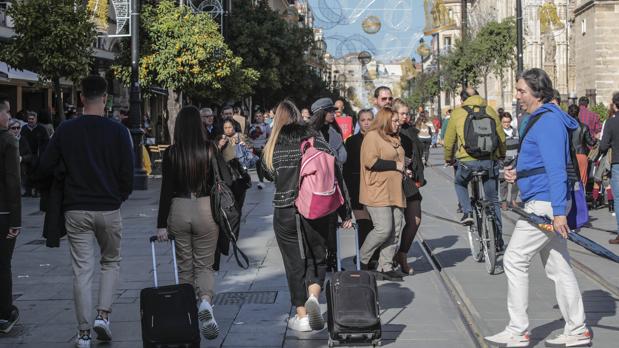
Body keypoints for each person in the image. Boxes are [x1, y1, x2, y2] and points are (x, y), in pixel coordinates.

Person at [485, 68, 591, 347]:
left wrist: (558, 212)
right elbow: (540, 162)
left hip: (545, 202)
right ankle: (577, 327)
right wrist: (517, 172)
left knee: (514, 259)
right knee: (558, 266)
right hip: (543, 197)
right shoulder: (540, 120)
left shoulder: (547, 122)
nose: (517, 96)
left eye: (521, 91)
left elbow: (556, 169)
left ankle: (518, 330)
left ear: (537, 92)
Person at [37, 75, 134, 347]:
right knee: (111, 261)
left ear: (81, 98)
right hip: (108, 207)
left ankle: (82, 332)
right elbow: (128, 172)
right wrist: (119, 196)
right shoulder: (118, 131)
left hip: (76, 209)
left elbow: (45, 166)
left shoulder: (66, 130)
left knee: (82, 269)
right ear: (105, 98)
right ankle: (103, 315)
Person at [261, 100, 352, 332]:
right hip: (314, 207)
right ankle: (313, 297)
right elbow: (334, 170)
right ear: (298, 117)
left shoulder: (274, 143)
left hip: (285, 211)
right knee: (317, 257)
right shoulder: (312, 136)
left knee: (293, 264)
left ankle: (301, 317)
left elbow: (266, 173)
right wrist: (345, 212)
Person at [156, 106, 221, 341]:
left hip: (179, 208)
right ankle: (205, 302)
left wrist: (161, 224)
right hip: (205, 208)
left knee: (184, 265)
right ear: (199, 125)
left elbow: (165, 191)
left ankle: (187, 313)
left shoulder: (172, 153)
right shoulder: (210, 150)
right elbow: (219, 183)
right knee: (205, 265)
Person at [443, 87, 505, 251]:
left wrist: (448, 158)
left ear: (462, 100)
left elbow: (449, 141)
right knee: (493, 200)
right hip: (489, 161)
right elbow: (501, 138)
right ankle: (498, 240)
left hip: (467, 162)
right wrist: (501, 156)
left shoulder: (457, 113)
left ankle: (468, 212)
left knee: (459, 183)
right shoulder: (490, 110)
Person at [359, 107, 406, 281]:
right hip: (377, 190)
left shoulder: (394, 137)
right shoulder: (372, 136)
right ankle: (362, 259)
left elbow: (398, 157)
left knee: (396, 228)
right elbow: (370, 162)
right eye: (394, 120)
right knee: (383, 229)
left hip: (395, 190)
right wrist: (396, 166)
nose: (397, 123)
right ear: (385, 120)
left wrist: (404, 166)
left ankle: (385, 266)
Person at [309, 98, 347, 272]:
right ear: (322, 113)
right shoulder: (310, 133)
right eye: (330, 111)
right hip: (315, 185)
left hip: (332, 182)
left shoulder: (334, 131)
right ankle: (320, 259)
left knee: (332, 222)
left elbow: (343, 155)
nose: (334, 113)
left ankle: (331, 259)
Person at [394, 99, 424, 275]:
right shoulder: (390, 133)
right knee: (393, 224)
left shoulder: (410, 131)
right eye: (402, 113)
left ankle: (402, 254)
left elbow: (417, 155)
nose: (406, 116)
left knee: (415, 220)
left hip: (410, 181)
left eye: (407, 113)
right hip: (395, 181)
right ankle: (387, 258)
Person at [343, 109, 375, 264]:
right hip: (357, 188)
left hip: (376, 188)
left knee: (377, 225)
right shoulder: (351, 141)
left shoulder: (379, 140)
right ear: (358, 122)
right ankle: (362, 258)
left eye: (369, 119)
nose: (367, 122)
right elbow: (347, 169)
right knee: (364, 225)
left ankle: (371, 256)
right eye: (363, 120)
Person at [0, 99, 21, 334]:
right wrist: (16, 221)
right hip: (4, 213)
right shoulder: (8, 141)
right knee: (3, 264)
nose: (9, 116)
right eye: (6, 112)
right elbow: (13, 183)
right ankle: (4, 313)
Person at [599, 92, 619, 245]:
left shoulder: (611, 123)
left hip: (617, 163)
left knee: (618, 198)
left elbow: (604, 145)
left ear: (615, 105)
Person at [20, 111, 49, 197]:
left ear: (36, 119)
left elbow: (46, 142)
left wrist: (43, 155)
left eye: (32, 119)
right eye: (29, 119)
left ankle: (36, 190)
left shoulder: (42, 129)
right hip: (27, 154)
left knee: (36, 172)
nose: (30, 121)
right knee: (27, 173)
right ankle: (27, 191)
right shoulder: (24, 129)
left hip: (37, 154)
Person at [567, 104, 597, 187]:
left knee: (569, 182)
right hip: (581, 154)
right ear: (578, 113)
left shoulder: (565, 126)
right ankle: (581, 198)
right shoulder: (584, 127)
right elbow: (591, 142)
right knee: (582, 182)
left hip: (568, 156)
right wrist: (596, 138)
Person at [499, 112, 520, 210]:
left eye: (508, 122)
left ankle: (513, 200)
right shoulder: (499, 133)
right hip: (504, 161)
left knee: (516, 182)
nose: (506, 124)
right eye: (504, 122)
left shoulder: (515, 132)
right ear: (501, 122)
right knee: (503, 182)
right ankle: (503, 201)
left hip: (515, 160)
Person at [8, 119, 32, 195]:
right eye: (13, 128)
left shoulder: (23, 140)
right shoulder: (5, 139)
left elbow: (30, 155)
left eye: (18, 128)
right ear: (9, 129)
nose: (16, 130)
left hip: (21, 169)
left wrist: (22, 158)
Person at [249, 109, 271, 189]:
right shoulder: (251, 126)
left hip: (263, 148)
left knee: (263, 164)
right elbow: (249, 137)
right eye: (256, 116)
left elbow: (270, 136)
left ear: (263, 117)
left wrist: (266, 145)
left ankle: (267, 176)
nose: (258, 117)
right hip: (255, 148)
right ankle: (261, 181)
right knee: (258, 165)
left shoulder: (266, 126)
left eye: (260, 116)